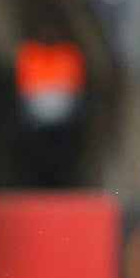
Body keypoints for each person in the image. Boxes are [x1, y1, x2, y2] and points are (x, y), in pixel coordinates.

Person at [13, 22, 87, 188]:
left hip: (62, 118)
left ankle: (62, 187)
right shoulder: (30, 53)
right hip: (36, 118)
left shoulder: (67, 54)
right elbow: (25, 84)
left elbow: (73, 84)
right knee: (34, 155)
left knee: (61, 156)